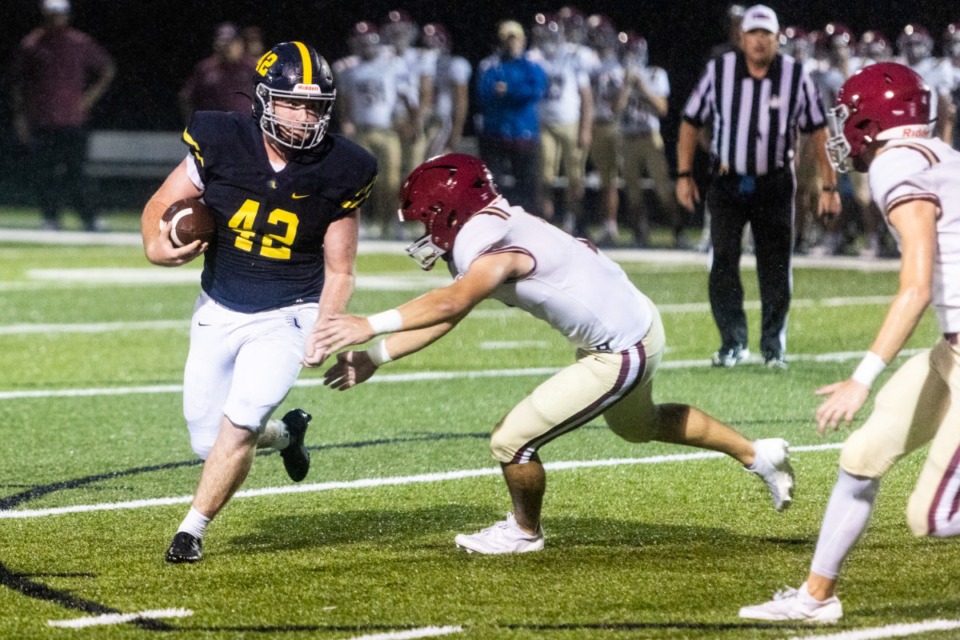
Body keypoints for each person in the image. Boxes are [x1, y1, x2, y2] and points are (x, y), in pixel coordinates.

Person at [308, 153, 795, 554]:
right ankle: (759, 455)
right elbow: (450, 313)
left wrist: (367, 324)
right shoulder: (495, 222)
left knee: (510, 441)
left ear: (448, 210)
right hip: (637, 324)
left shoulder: (489, 242)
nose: (423, 229)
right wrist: (378, 356)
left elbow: (451, 302)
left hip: (620, 347)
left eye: (425, 216)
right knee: (638, 426)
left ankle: (524, 532)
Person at [740, 62, 960, 623]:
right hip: (952, 348)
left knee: (933, 516)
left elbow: (913, 289)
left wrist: (862, 379)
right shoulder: (933, 155)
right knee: (862, 456)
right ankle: (816, 597)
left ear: (872, 117)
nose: (840, 131)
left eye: (846, 117)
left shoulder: (896, 164)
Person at [142, 41, 377, 563]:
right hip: (219, 305)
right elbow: (161, 202)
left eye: (315, 106)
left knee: (243, 419)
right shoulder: (221, 138)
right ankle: (288, 433)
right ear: (264, 100)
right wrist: (156, 244)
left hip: (289, 312)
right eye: (293, 102)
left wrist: (326, 322)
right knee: (208, 441)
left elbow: (340, 269)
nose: (303, 116)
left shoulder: (343, 166)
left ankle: (191, 531)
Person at [676, 4, 841, 370]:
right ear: (742, 37)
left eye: (767, 34)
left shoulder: (796, 75)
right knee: (723, 261)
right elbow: (690, 121)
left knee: (775, 265)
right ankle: (732, 342)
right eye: (754, 33)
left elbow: (819, 131)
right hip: (727, 181)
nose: (760, 41)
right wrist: (684, 175)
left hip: (775, 183)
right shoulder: (719, 71)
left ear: (777, 38)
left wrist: (830, 185)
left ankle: (772, 345)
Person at [9, 0, 115, 232]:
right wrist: (20, 117)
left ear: (67, 16)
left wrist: (88, 98)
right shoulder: (32, 44)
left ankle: (89, 218)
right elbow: (19, 83)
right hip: (41, 119)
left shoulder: (79, 42)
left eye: (59, 14)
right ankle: (50, 218)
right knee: (45, 172)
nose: (55, 19)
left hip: (72, 120)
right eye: (50, 14)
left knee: (77, 170)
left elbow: (107, 68)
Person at [334, 21, 410, 239]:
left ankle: (392, 223)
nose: (366, 46)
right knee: (359, 182)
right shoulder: (349, 69)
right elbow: (345, 101)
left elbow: (405, 96)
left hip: (387, 130)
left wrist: (408, 121)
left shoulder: (392, 64)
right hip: (361, 131)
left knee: (391, 182)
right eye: (362, 42)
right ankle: (366, 222)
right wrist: (346, 122)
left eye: (369, 41)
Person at [619, 31, 689, 249]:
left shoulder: (655, 74)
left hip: (650, 138)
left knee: (664, 189)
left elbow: (662, 109)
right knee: (633, 192)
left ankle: (679, 231)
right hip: (627, 138)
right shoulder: (618, 75)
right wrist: (626, 86)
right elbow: (616, 110)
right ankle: (640, 234)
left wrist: (641, 87)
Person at [528, 12, 594, 236]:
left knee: (575, 177)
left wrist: (585, 128)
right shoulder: (533, 56)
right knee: (544, 176)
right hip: (544, 123)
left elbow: (586, 95)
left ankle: (573, 219)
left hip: (570, 122)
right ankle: (546, 220)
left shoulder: (573, 56)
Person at [475, 19, 549, 213]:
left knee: (527, 183)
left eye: (515, 39)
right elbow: (484, 93)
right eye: (508, 39)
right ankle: (494, 223)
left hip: (523, 131)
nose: (512, 43)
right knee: (493, 183)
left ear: (523, 40)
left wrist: (509, 91)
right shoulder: (490, 64)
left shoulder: (532, 64)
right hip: (496, 131)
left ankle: (529, 224)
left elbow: (536, 91)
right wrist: (509, 93)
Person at [178, 22, 256, 125]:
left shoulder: (251, 67)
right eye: (222, 43)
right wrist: (190, 124)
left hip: (245, 129)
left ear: (240, 44)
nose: (226, 48)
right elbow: (186, 98)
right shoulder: (206, 68)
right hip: (214, 129)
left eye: (230, 44)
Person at [420, 22, 472, 157]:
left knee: (433, 162)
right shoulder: (420, 63)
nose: (431, 46)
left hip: (443, 120)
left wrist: (456, 131)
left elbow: (461, 100)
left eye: (434, 42)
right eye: (427, 43)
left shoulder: (455, 64)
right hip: (425, 120)